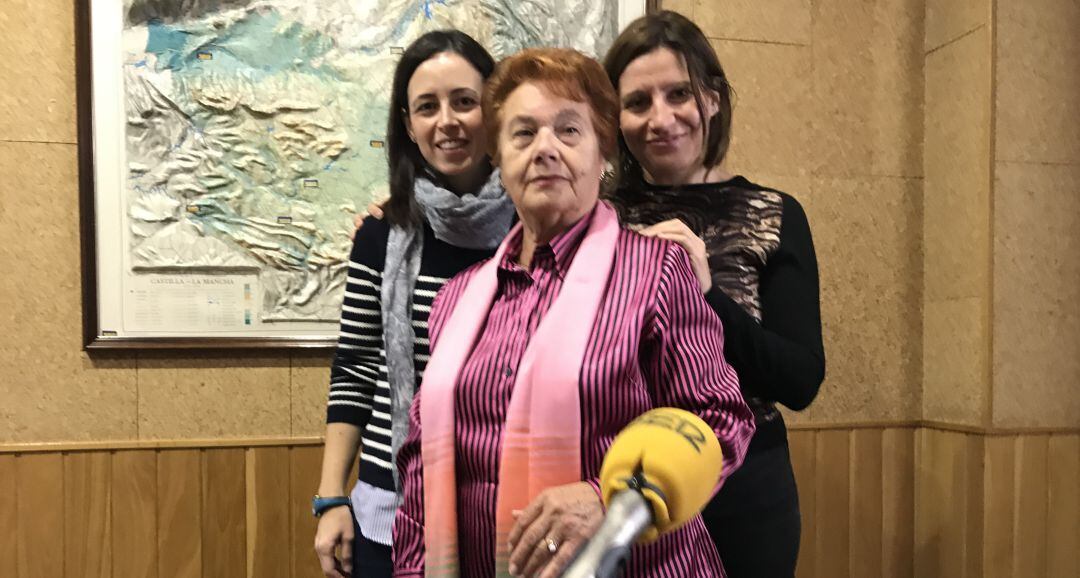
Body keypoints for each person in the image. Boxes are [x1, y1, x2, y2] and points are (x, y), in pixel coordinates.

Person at [393, 47, 756, 578]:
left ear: (602, 152)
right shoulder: (456, 298)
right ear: (497, 155)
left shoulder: (656, 272)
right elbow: (420, 460)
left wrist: (610, 500)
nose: (545, 149)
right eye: (523, 133)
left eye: (568, 131)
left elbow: (721, 419)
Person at [602, 11, 826, 578]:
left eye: (679, 93)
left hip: (749, 489)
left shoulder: (774, 213)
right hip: (621, 478)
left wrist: (706, 294)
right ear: (616, 119)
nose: (661, 118)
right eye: (637, 101)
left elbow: (799, 380)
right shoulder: (597, 216)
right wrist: (400, 219)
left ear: (714, 99)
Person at [314, 30, 514, 578]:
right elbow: (355, 367)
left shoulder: (537, 230)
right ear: (408, 126)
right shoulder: (382, 234)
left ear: (494, 110)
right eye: (427, 106)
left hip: (503, 507)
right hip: (390, 509)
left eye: (464, 101)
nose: (446, 121)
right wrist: (333, 496)